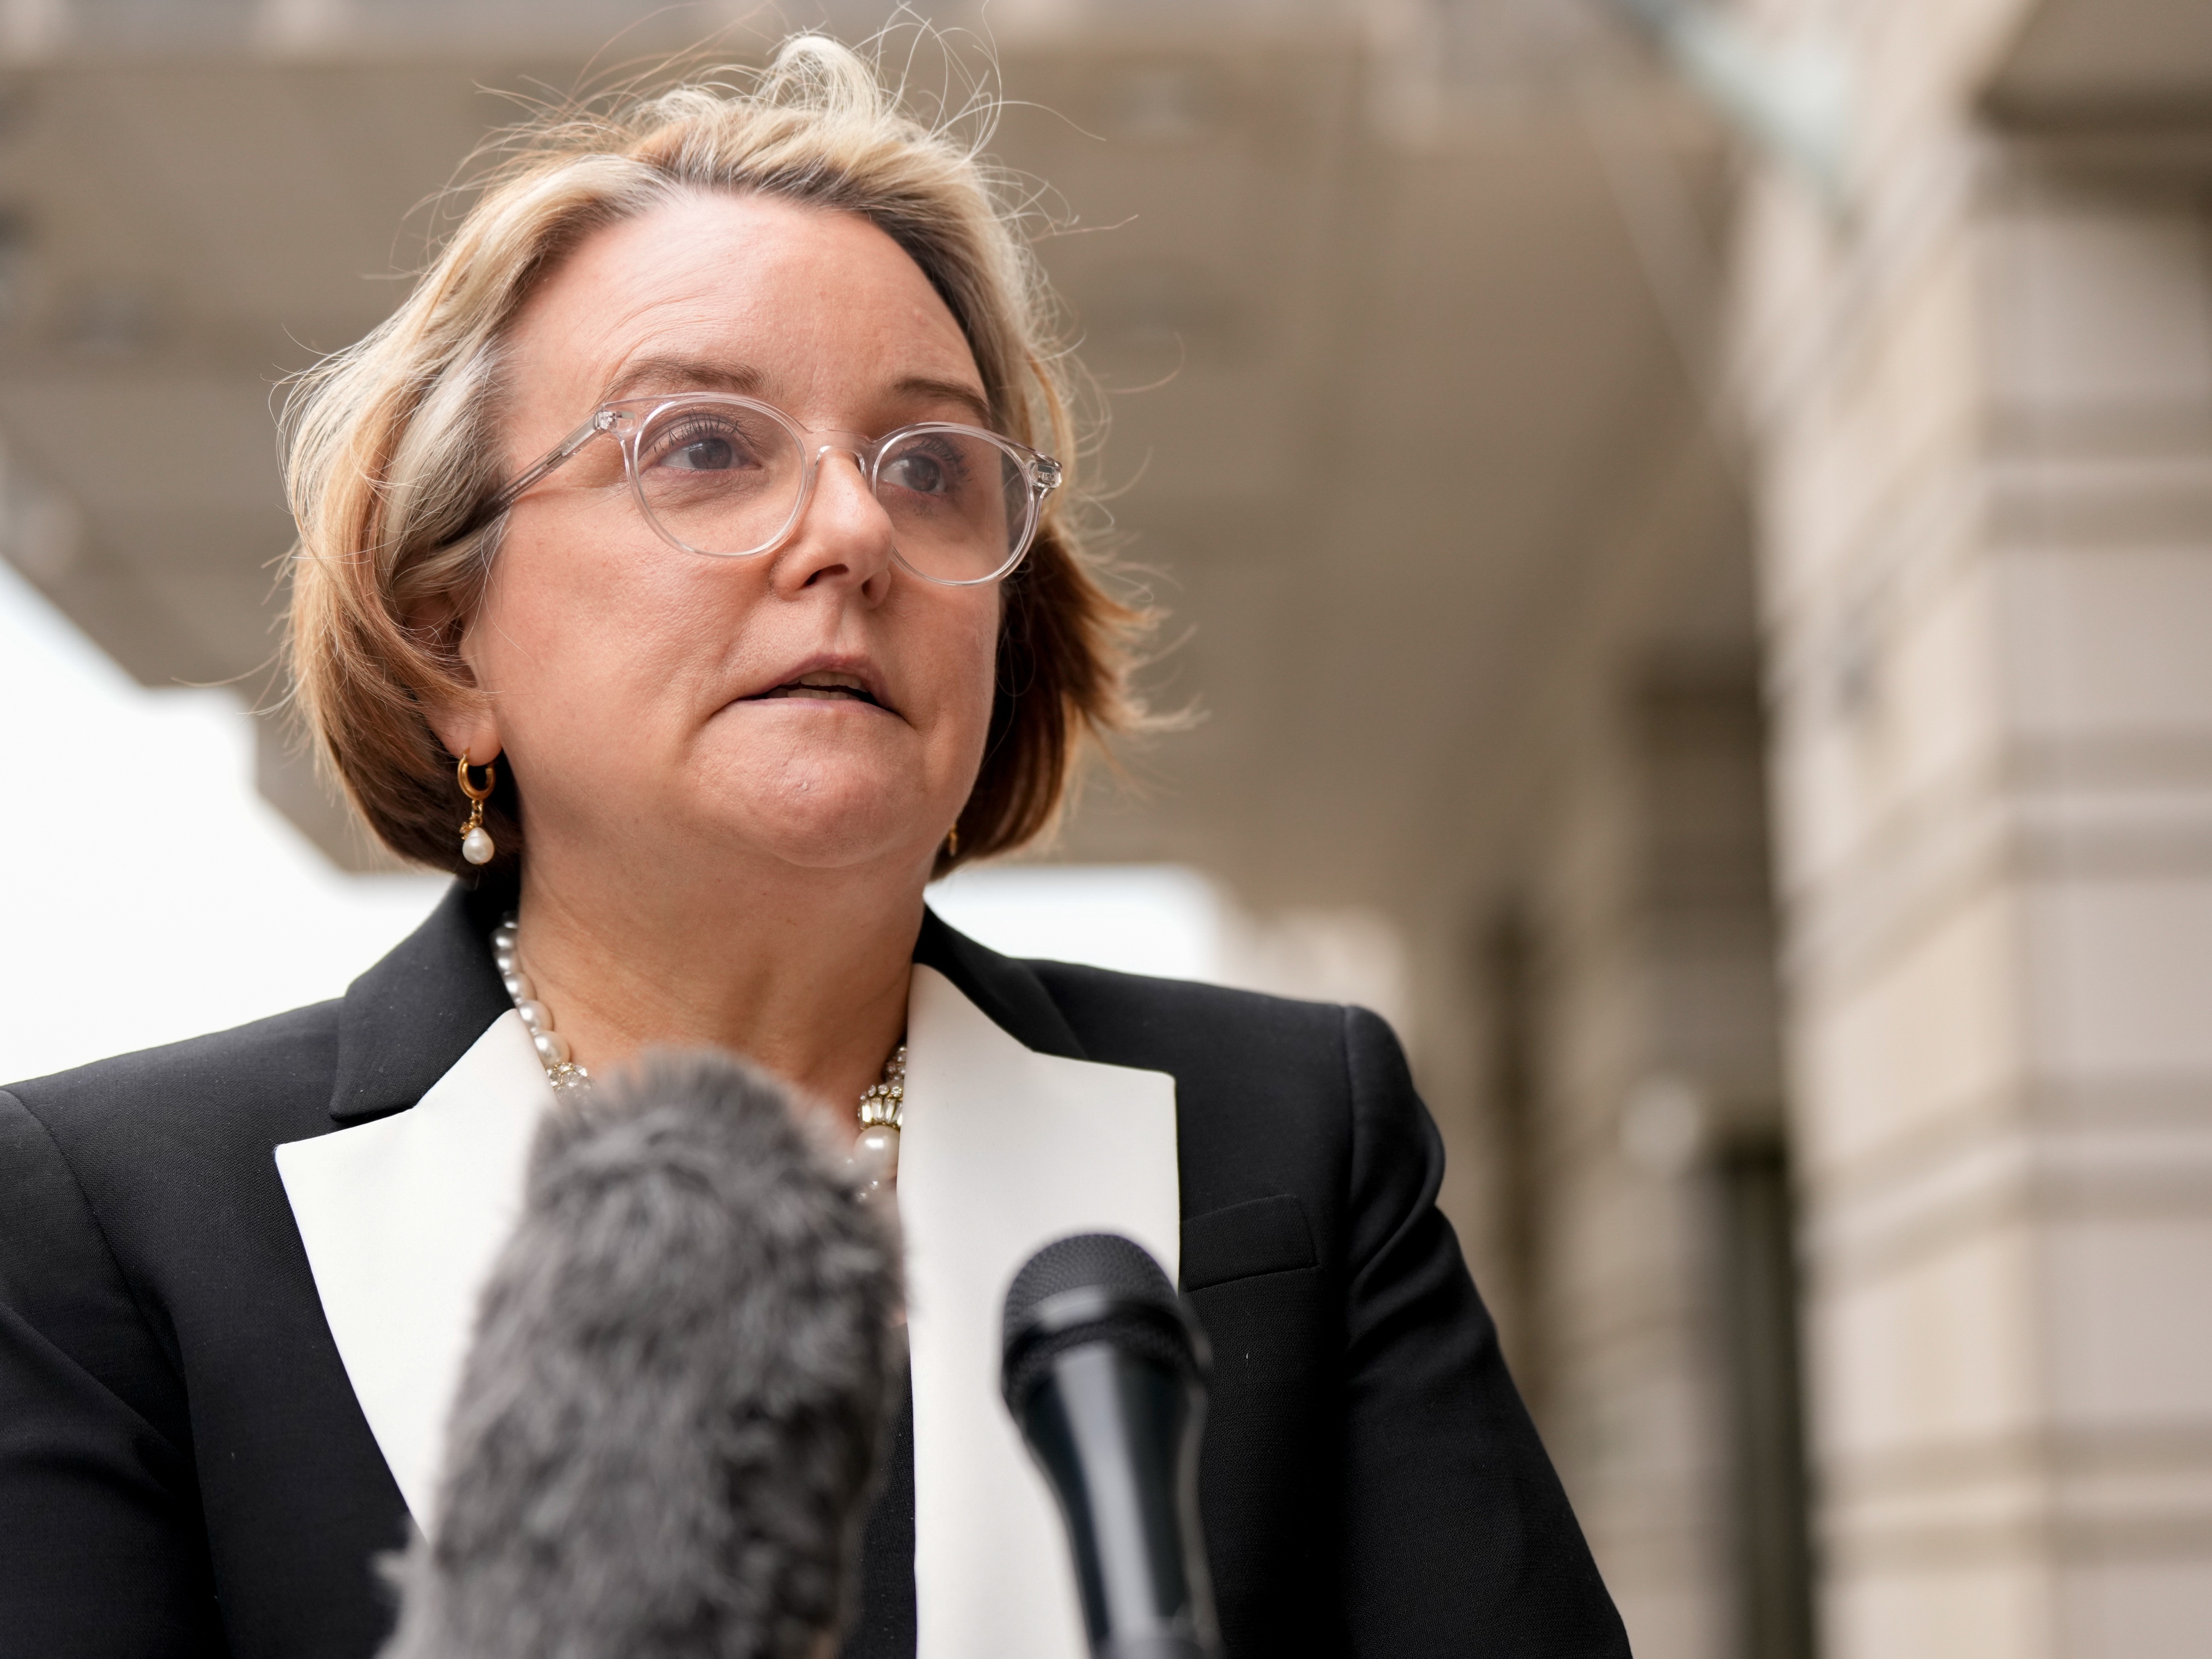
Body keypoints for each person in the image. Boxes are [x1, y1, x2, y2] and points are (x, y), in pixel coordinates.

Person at [0, 37, 1627, 1659]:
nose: (852, 532)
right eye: (701, 446)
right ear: (448, 642)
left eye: (929, 467)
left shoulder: (1290, 1140)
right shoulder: (117, 1223)